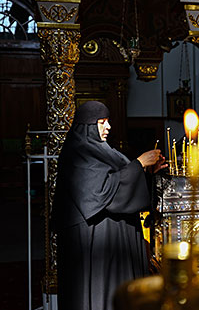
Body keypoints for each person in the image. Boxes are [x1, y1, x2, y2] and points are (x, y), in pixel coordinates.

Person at [53, 100, 166, 310]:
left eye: (108, 121)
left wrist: (146, 172)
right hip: (94, 242)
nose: (109, 127)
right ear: (88, 125)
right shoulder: (77, 153)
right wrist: (139, 164)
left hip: (113, 240)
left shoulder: (104, 150)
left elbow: (118, 179)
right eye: (102, 122)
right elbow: (100, 193)